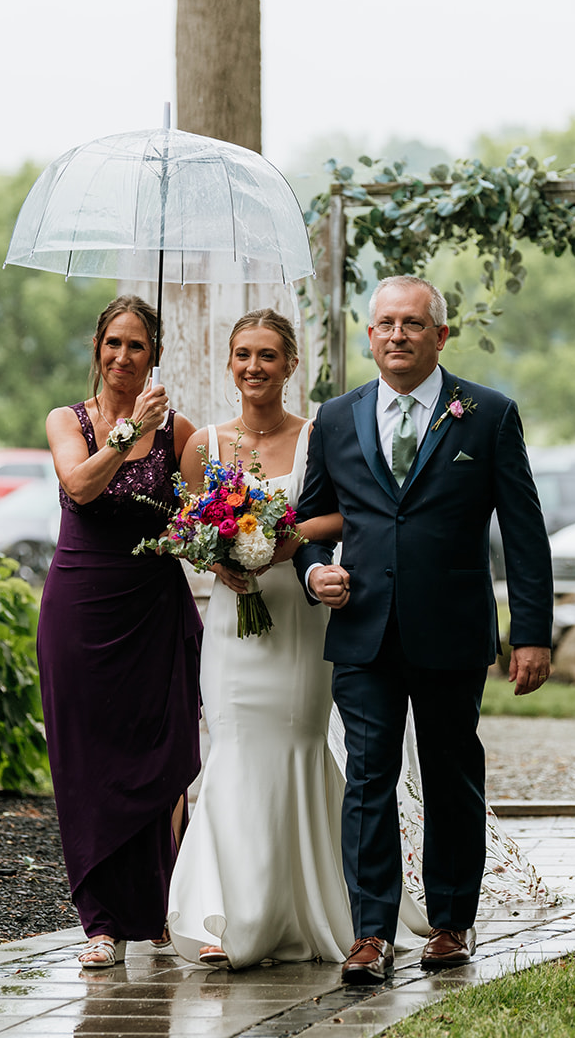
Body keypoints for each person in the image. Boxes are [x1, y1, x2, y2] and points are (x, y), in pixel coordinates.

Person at [294, 274, 555, 984]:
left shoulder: (489, 415)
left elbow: (525, 534)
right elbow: (310, 527)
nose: (396, 335)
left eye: (412, 323)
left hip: (452, 627)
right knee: (368, 781)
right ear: (368, 334)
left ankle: (450, 922)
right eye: (384, 324)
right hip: (364, 631)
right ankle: (371, 933)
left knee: (449, 775)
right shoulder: (338, 417)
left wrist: (532, 632)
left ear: (441, 335)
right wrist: (315, 573)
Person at [166, 309, 429, 970]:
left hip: (301, 613)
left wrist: (286, 541)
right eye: (243, 355)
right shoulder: (204, 445)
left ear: (290, 365)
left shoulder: (322, 435)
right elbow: (186, 527)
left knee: (300, 745)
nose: (254, 367)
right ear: (231, 364)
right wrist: (216, 557)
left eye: (268, 356)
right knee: (231, 750)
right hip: (234, 619)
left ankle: (320, 907)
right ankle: (228, 913)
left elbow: (350, 510)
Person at [38, 295, 201, 969]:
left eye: (136, 346)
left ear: (153, 355)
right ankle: (100, 922)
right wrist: (127, 432)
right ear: (96, 349)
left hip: (153, 610)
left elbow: (202, 521)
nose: (122, 357)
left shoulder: (178, 431)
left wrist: (234, 544)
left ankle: (159, 906)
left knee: (159, 760)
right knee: (88, 761)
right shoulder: (67, 421)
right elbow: (79, 486)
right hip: (81, 605)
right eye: (112, 343)